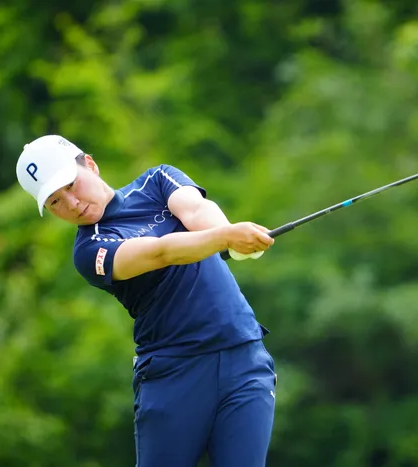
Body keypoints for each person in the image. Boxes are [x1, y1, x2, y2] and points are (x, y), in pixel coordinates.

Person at [15, 135, 278, 467]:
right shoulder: (89, 251)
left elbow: (196, 210)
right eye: (55, 201)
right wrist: (226, 237)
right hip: (173, 374)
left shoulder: (157, 180)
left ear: (90, 165)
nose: (71, 203)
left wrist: (233, 238)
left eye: (70, 185)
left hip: (244, 357)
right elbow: (160, 252)